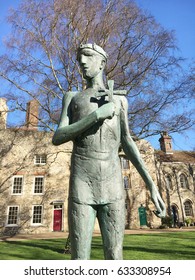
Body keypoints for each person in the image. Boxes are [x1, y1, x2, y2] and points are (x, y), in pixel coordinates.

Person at [52, 43, 166, 260]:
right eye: (79, 58)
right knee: (80, 258)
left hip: (112, 182)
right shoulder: (73, 97)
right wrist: (96, 116)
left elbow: (128, 142)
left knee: (115, 255)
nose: (82, 62)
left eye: (87, 56)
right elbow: (58, 137)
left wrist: (152, 185)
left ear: (102, 62)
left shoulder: (120, 99)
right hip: (82, 181)